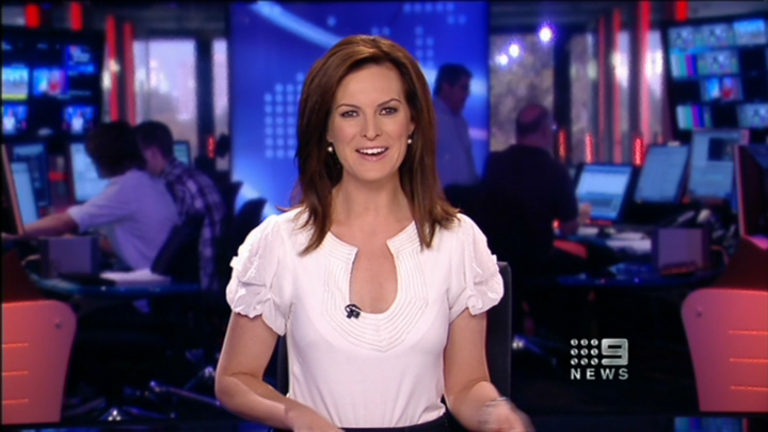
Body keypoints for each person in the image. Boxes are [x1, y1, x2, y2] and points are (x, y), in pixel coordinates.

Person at [215, 35, 534, 432]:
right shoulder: (280, 242)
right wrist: (295, 415)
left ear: (412, 121)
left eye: (387, 110)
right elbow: (235, 379)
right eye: (350, 113)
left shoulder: (458, 240)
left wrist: (495, 414)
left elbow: (466, 385)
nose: (370, 131)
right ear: (326, 130)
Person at [2, 121, 179, 270]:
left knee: (50, 287)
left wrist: (13, 233)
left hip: (143, 291)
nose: (94, 164)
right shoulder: (147, 181)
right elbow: (132, 244)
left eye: (94, 158)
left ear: (105, 158)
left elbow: (63, 223)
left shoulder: (127, 187)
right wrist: (84, 242)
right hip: (159, 285)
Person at [480, 103, 584, 277]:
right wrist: (582, 219)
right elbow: (568, 228)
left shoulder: (494, 163)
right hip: (539, 263)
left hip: (499, 265)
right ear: (545, 132)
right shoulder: (555, 170)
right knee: (601, 256)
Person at [135, 120, 226, 292]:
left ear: (153, 153)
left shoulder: (173, 186)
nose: (135, 165)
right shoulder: (189, 176)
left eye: (137, 157)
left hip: (193, 287)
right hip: (208, 282)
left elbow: (162, 247)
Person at [434, 63, 478, 189]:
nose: (467, 94)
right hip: (440, 196)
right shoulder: (428, 117)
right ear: (446, 87)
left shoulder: (461, 121)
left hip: (466, 195)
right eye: (463, 88)